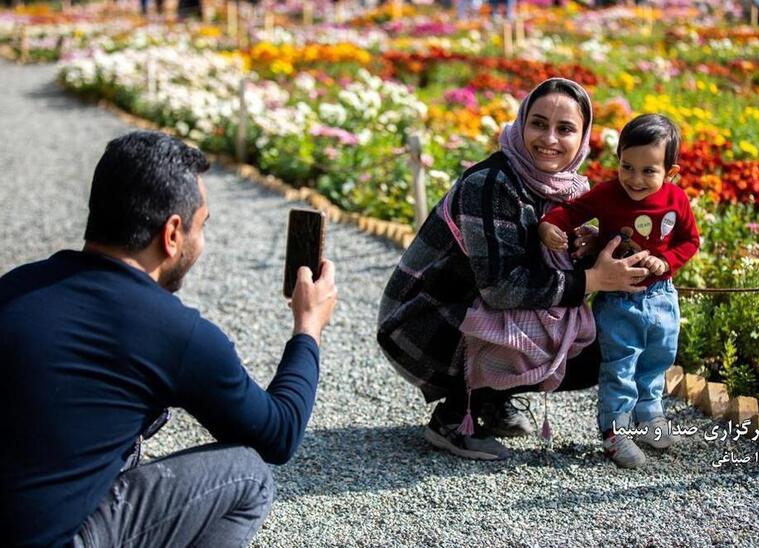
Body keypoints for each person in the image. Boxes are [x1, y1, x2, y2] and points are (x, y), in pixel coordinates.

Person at [0, 131, 338, 547]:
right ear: (172, 233)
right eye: (202, 226)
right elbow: (280, 433)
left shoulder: (16, 287)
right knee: (248, 474)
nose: (201, 242)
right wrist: (308, 327)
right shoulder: (175, 334)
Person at [377, 78, 653, 461]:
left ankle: (491, 398)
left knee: (600, 342)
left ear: (583, 136)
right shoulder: (491, 185)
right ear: (521, 124)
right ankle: (457, 417)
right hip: (422, 323)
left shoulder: (566, 188)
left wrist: (591, 248)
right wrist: (592, 279)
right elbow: (501, 289)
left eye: (565, 129)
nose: (549, 139)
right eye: (538, 124)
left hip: (468, 312)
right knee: (569, 336)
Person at [540, 114, 699, 468]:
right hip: (618, 298)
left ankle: (649, 417)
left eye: (648, 171)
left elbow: (690, 240)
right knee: (620, 365)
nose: (635, 179)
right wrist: (549, 226)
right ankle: (615, 433)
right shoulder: (609, 194)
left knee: (659, 357)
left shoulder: (676, 200)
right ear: (619, 160)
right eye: (628, 167)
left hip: (661, 296)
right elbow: (571, 211)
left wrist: (667, 261)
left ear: (670, 172)